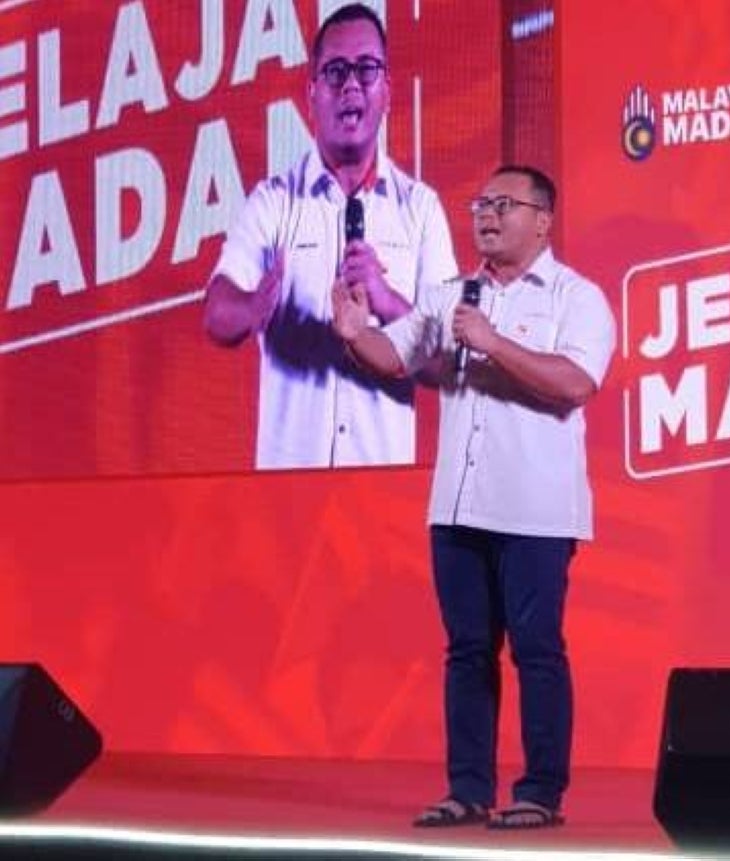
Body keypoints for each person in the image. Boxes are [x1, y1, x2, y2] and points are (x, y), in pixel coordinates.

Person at [333, 165, 616, 829]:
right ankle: (467, 788)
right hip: (457, 507)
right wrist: (352, 335)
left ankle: (541, 791)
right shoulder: (449, 294)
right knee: (466, 650)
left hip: (536, 510)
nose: (485, 214)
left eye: (503, 204)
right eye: (480, 203)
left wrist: (494, 343)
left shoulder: (577, 298)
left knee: (537, 648)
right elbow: (394, 358)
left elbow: (576, 381)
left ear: (542, 219)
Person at [203, 4, 457, 469]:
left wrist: (387, 303)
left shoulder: (420, 209)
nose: (352, 85)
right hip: (286, 494)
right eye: (336, 71)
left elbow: (450, 363)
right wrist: (252, 308)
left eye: (367, 69)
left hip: (382, 490)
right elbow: (215, 311)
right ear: (311, 94)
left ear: (387, 91)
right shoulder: (274, 201)